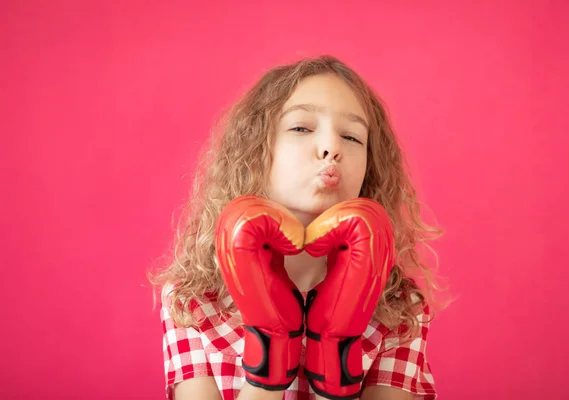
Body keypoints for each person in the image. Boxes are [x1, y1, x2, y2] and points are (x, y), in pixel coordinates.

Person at [150, 55, 446, 400]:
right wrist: (271, 351)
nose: (331, 147)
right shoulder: (193, 301)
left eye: (352, 137)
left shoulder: (399, 307)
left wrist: (334, 354)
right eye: (301, 128)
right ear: (257, 149)